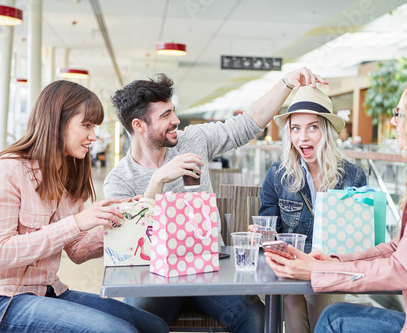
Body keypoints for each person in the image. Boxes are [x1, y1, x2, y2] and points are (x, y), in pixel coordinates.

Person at [103, 67, 326, 332]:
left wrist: (287, 83)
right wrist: (157, 181)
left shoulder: (194, 140)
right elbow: (129, 246)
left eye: (173, 110)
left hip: (209, 270)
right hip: (153, 278)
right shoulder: (119, 181)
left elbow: (247, 124)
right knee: (132, 323)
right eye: (165, 115)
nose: (176, 120)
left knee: (255, 316)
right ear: (139, 126)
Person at [265, 75, 407, 333]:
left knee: (333, 318)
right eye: (295, 128)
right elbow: (398, 248)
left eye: (399, 113)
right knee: (331, 315)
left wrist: (319, 270)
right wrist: (334, 262)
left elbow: (405, 269)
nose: (392, 121)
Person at [0, 80, 169, 333]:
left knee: (153, 326)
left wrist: (119, 219)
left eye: (94, 127)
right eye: (86, 125)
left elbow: (76, 251)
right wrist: (76, 223)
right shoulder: (7, 170)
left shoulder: (67, 174)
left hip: (47, 291)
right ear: (57, 122)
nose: (93, 136)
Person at [257, 86, 367, 333]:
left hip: (329, 269)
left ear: (326, 130)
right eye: (296, 128)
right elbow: (268, 237)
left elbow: (357, 242)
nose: (302, 137)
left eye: (312, 127)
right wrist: (262, 235)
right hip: (287, 270)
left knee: (321, 302)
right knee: (293, 302)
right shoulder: (278, 175)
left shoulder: (353, 176)